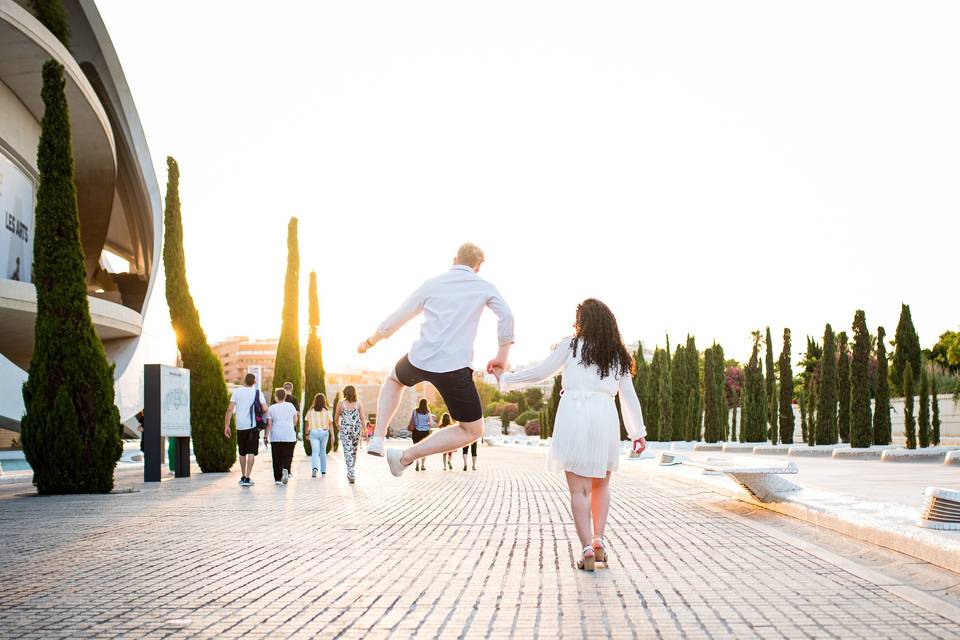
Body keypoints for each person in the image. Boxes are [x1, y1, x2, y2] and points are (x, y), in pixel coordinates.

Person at [499, 299, 647, 572]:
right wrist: (637, 432)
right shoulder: (617, 353)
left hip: (574, 415)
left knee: (579, 489)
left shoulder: (570, 345)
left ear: (583, 321)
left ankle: (586, 548)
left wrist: (507, 378)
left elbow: (541, 372)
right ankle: (599, 540)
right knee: (601, 485)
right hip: (604, 415)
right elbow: (628, 396)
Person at [357, 242, 514, 477]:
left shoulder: (433, 283)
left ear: (454, 260)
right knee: (472, 431)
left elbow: (399, 316)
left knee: (393, 380)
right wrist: (502, 357)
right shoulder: (484, 286)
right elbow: (507, 316)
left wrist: (372, 341)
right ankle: (405, 457)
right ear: (478, 267)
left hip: (421, 358)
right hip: (455, 367)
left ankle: (378, 438)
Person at [224, 373, 268, 487]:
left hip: (240, 426)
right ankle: (248, 477)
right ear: (254, 382)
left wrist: (227, 426)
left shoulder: (237, 392)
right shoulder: (258, 393)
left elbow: (229, 410)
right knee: (251, 452)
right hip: (253, 426)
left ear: (244, 381)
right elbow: (265, 409)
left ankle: (243, 476)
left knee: (242, 452)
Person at [266, 388, 299, 485]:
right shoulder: (290, 406)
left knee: (276, 457)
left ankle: (277, 479)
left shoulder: (272, 408)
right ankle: (286, 469)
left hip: (276, 435)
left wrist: (265, 436)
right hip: (289, 434)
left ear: (276, 397)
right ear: (285, 396)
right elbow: (295, 419)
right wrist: (290, 426)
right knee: (288, 455)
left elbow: (269, 423)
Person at [333, 385, 366, 484]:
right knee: (353, 452)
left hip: (345, 430)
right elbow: (362, 418)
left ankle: (350, 471)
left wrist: (339, 427)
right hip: (356, 430)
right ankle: (351, 472)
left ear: (345, 393)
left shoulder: (340, 403)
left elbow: (336, 418)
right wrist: (365, 430)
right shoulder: (358, 404)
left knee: (348, 451)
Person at [305, 393, 331, 477]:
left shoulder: (310, 412)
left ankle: (315, 468)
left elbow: (307, 423)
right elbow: (330, 424)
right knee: (323, 451)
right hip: (324, 433)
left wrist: (306, 433)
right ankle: (323, 471)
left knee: (315, 452)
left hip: (314, 433)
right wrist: (333, 436)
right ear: (324, 401)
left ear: (315, 401)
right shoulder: (327, 411)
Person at [409, 399, 435, 471]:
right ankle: (423, 465)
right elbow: (432, 424)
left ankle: (417, 462)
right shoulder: (428, 412)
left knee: (416, 448)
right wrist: (427, 424)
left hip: (416, 432)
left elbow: (412, 420)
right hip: (425, 433)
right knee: (424, 449)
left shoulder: (415, 411)